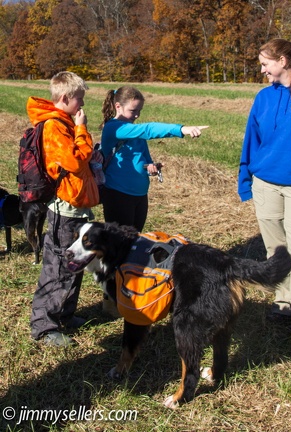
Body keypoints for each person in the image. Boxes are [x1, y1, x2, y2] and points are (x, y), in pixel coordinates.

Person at [238, 38, 291, 357]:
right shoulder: (263, 98)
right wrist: (247, 179)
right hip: (266, 186)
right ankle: (284, 305)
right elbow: (251, 141)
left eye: (265, 63)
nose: (261, 70)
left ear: (284, 61)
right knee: (277, 252)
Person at [29, 71, 100, 346]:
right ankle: (44, 326)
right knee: (57, 266)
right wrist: (82, 129)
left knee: (74, 262)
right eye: (79, 98)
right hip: (64, 208)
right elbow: (75, 162)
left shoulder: (64, 122)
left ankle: (65, 314)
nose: (82, 104)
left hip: (76, 205)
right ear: (64, 97)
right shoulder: (54, 126)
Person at [99, 86, 208, 232]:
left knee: (134, 240)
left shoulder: (133, 131)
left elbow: (144, 157)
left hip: (140, 194)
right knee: (119, 244)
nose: (137, 115)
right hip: (118, 195)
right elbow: (148, 129)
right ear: (118, 106)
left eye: (139, 111)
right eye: (133, 110)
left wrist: (150, 167)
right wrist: (181, 129)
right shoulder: (114, 128)